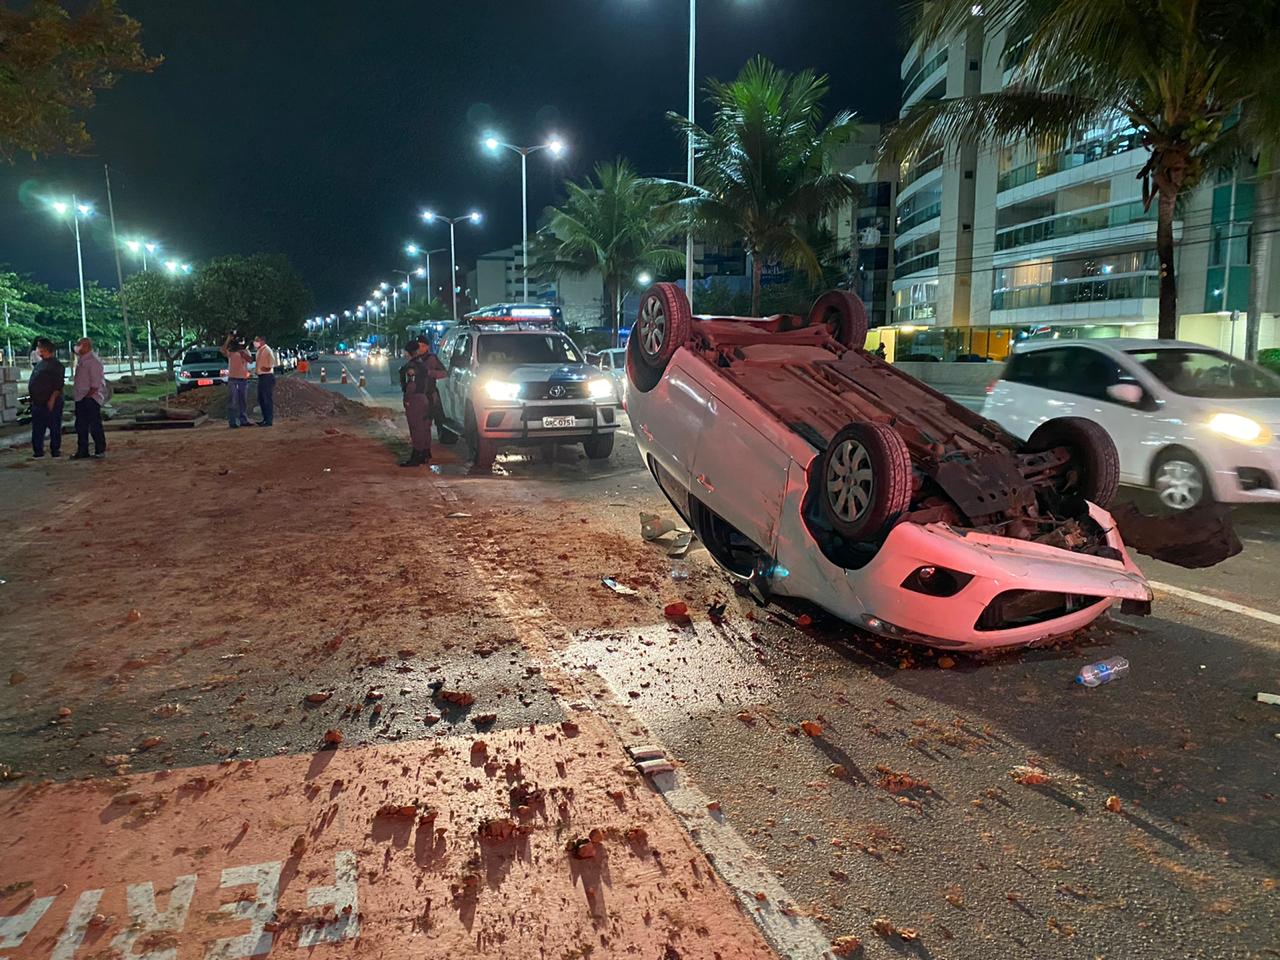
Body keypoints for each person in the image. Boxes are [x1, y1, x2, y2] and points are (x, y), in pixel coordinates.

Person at [398, 338, 447, 467]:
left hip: (423, 397)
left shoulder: (422, 362)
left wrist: (407, 398)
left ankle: (418, 454)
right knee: (423, 426)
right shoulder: (419, 362)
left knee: (419, 427)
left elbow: (413, 384)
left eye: (422, 345)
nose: (420, 348)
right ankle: (424, 452)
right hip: (423, 397)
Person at [71, 337, 107, 460]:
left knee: (94, 425)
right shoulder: (82, 360)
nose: (77, 347)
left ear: (86, 346)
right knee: (81, 426)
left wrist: (88, 396)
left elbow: (96, 383)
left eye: (79, 344)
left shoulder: (93, 361)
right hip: (81, 397)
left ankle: (100, 450)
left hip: (91, 398)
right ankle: (82, 450)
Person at [28, 338, 64, 459]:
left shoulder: (56, 365)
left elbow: (58, 385)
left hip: (50, 402)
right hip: (38, 402)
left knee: (54, 427)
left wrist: (52, 399)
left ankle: (55, 450)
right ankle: (38, 451)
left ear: (45, 349)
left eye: (39, 348)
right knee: (38, 429)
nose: (37, 350)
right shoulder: (40, 364)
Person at [220, 331, 253, 428]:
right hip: (233, 379)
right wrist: (228, 339)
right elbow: (222, 350)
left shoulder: (245, 351)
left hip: (243, 379)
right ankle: (232, 421)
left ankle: (243, 419)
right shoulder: (231, 351)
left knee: (243, 401)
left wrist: (243, 354)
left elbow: (250, 360)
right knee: (233, 401)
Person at [252, 335, 277, 426]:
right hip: (262, 377)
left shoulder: (267, 350)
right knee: (262, 399)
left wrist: (266, 369)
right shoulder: (260, 350)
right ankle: (265, 419)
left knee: (266, 399)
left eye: (257, 340)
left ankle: (269, 420)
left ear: (262, 341)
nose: (255, 342)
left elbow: (272, 362)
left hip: (267, 377)